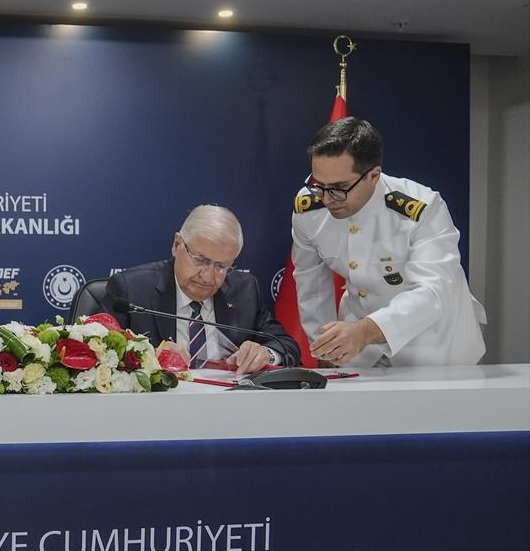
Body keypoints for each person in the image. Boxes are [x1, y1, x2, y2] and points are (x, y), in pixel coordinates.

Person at [291, 116, 485, 367]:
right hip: (359, 344)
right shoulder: (310, 210)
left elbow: (433, 291)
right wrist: (325, 347)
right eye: (319, 185)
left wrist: (366, 330)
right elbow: (312, 286)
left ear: (373, 176)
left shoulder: (422, 208)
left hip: (434, 343)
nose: (327, 199)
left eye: (339, 187)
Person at [103, 205, 300, 373]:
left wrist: (266, 354)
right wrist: (149, 357)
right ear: (177, 245)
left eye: (221, 266)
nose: (207, 276)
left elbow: (286, 345)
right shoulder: (131, 290)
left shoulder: (244, 290)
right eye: (200, 260)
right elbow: (101, 355)